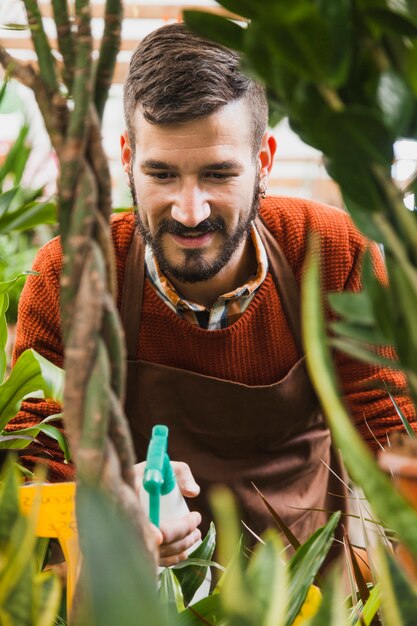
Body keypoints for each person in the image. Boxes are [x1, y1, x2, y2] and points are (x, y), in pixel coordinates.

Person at [8, 23, 416, 566]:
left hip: (306, 592)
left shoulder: (331, 250)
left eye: (219, 174)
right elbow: (33, 462)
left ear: (264, 162)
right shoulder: (71, 273)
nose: (190, 211)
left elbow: (389, 423)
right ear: (128, 158)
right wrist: (108, 500)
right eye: (162, 174)